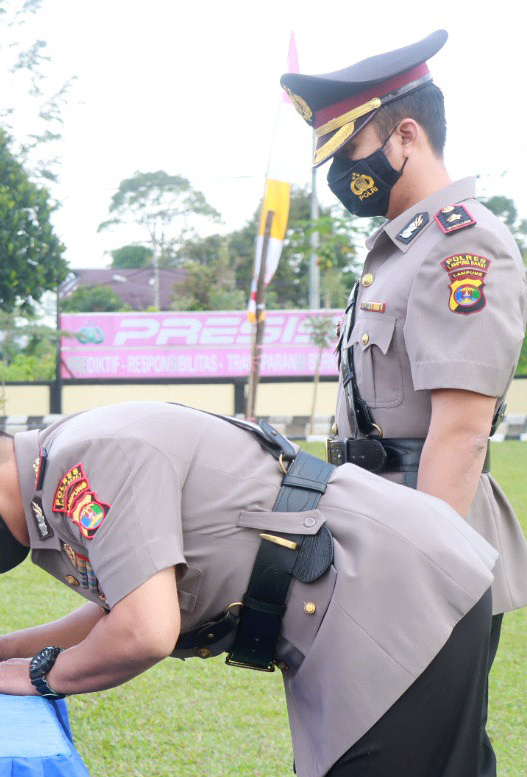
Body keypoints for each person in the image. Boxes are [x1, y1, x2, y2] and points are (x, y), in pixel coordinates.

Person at [0, 373, 498, 777]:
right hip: (368, 599)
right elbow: (127, 604)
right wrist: (1, 647)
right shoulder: (60, 464)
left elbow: (146, 630)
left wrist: (35, 674)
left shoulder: (84, 461)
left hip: (388, 602)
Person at [281, 30, 527, 775]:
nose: (342, 173)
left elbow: (459, 434)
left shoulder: (463, 248)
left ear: (406, 135)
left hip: (422, 554)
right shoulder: (398, 250)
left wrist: (415, 578)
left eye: (350, 150)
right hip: (376, 534)